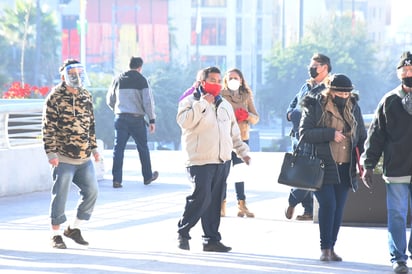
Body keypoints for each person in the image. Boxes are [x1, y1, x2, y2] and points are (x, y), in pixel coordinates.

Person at [176, 66, 251, 252]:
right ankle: (183, 232)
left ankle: (211, 239)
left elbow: (233, 133)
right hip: (199, 160)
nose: (217, 84)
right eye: (212, 81)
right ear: (202, 83)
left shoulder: (224, 104)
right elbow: (185, 122)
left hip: (222, 160)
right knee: (201, 197)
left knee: (215, 201)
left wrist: (243, 151)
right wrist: (202, 104)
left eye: (219, 81)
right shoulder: (188, 102)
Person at [300, 73, 367, 261]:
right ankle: (325, 248)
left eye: (347, 94)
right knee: (328, 204)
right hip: (321, 164)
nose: (344, 97)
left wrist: (364, 161)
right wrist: (330, 134)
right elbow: (304, 133)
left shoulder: (354, 107)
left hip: (346, 165)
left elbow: (361, 135)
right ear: (331, 90)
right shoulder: (315, 104)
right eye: (340, 93)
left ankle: (332, 246)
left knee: (338, 208)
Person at [361, 51, 412, 274]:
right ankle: (399, 258)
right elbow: (376, 136)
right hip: (397, 169)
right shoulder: (390, 100)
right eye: (405, 70)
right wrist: (368, 164)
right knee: (398, 214)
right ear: (398, 73)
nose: (408, 73)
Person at [42, 59, 99, 249]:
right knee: (61, 194)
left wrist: (95, 148)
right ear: (64, 76)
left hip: (84, 156)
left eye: (79, 73)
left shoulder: (86, 95)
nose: (77, 77)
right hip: (63, 156)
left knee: (92, 191)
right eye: (72, 74)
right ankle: (55, 234)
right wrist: (51, 153)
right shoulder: (55, 97)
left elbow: (90, 124)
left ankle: (73, 228)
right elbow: (48, 127)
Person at [285, 53, 332, 221]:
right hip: (297, 136)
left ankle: (292, 200)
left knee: (307, 172)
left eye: (314, 66)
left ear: (324, 68)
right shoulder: (306, 86)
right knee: (299, 169)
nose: (310, 69)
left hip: (313, 136)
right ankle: (308, 209)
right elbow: (293, 104)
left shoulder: (330, 88)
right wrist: (290, 114)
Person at [106, 56, 158, 188]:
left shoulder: (117, 79)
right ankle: (147, 177)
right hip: (136, 119)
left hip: (120, 118)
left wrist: (118, 109)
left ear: (129, 65)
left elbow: (110, 99)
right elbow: (148, 102)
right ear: (140, 67)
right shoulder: (142, 80)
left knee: (118, 149)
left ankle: (116, 180)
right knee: (142, 148)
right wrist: (152, 120)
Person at [220, 68, 259, 218]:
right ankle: (221, 204)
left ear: (241, 80)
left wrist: (246, 115)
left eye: (236, 78)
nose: (233, 80)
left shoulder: (246, 96)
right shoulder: (221, 95)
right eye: (230, 78)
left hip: (242, 137)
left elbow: (256, 117)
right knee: (222, 172)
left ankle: (242, 204)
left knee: (240, 172)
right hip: (224, 137)